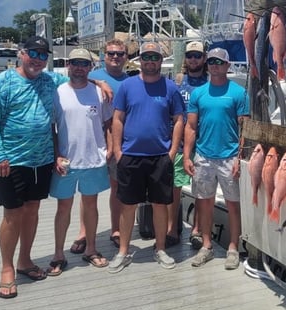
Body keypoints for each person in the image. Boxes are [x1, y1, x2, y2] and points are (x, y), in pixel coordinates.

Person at [0, 36, 69, 299]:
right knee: (12, 214)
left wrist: (99, 82)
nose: (38, 60)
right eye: (34, 53)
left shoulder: (50, 80)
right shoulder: (4, 82)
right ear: (21, 53)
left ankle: (25, 260)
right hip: (10, 161)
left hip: (41, 161)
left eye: (44, 55)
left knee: (32, 209)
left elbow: (77, 81)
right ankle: (7, 268)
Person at [108, 41, 184, 273]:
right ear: (139, 60)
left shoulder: (170, 87)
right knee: (128, 205)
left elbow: (179, 119)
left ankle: (159, 248)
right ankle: (123, 251)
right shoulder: (127, 86)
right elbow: (117, 119)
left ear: (161, 61)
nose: (150, 61)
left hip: (160, 156)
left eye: (155, 57)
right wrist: (119, 152)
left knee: (160, 205)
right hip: (130, 156)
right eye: (146, 57)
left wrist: (172, 152)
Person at [183, 48, 250, 270]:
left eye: (219, 62)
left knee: (233, 204)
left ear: (227, 65)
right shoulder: (198, 93)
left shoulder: (238, 93)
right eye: (211, 61)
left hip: (229, 157)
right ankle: (207, 245)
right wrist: (187, 156)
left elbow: (245, 130)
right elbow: (191, 126)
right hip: (203, 156)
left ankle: (233, 247)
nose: (214, 65)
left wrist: (240, 158)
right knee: (204, 202)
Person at [47, 48, 112, 276]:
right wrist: (56, 154)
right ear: (68, 65)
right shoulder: (57, 92)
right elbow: (52, 129)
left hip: (94, 159)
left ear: (90, 67)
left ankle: (91, 249)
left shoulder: (99, 92)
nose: (79, 67)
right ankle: (58, 254)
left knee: (91, 205)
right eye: (75, 62)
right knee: (63, 207)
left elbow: (108, 123)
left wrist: (110, 149)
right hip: (66, 161)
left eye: (84, 63)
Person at [68, 38, 129, 254]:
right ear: (103, 56)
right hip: (92, 142)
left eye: (120, 54)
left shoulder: (130, 81)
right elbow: (74, 80)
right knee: (88, 192)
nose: (115, 57)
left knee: (117, 188)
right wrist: (99, 83)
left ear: (126, 58)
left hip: (120, 143)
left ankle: (115, 229)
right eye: (111, 53)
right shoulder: (92, 76)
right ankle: (83, 232)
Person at [166, 40, 208, 249]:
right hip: (180, 144)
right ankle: (172, 228)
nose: (193, 59)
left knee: (201, 189)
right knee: (176, 188)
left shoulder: (210, 82)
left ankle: (197, 230)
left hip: (203, 144)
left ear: (204, 58)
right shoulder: (178, 80)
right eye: (190, 55)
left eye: (197, 56)